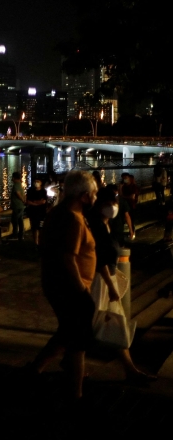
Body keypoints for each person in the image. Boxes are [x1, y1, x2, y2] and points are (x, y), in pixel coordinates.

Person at [28, 170, 98, 399]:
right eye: (94, 193)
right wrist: (82, 291)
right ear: (84, 196)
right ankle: (75, 393)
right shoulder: (71, 218)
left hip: (55, 283)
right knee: (78, 342)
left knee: (66, 334)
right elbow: (68, 258)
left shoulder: (58, 212)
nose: (96, 197)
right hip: (69, 288)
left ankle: (37, 368)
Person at [86, 186, 156, 385]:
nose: (114, 207)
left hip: (107, 278)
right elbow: (99, 260)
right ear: (100, 205)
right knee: (88, 325)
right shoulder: (97, 227)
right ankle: (51, 364)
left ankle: (130, 369)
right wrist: (111, 285)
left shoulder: (106, 225)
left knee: (112, 324)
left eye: (114, 202)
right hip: (101, 281)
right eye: (109, 203)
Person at [27, 177, 49, 246]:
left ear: (41, 183)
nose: (36, 183)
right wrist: (38, 202)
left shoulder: (43, 191)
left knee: (41, 228)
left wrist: (34, 202)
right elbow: (28, 201)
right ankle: (36, 243)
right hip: (32, 212)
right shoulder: (30, 190)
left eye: (38, 181)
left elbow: (43, 201)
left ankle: (41, 242)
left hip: (41, 213)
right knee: (34, 228)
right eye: (35, 181)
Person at [10, 171, 27, 242]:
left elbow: (18, 193)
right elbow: (23, 193)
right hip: (21, 206)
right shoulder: (20, 184)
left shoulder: (16, 185)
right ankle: (21, 235)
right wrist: (24, 200)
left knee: (15, 221)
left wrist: (23, 200)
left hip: (17, 206)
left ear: (14, 178)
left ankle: (15, 235)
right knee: (20, 221)